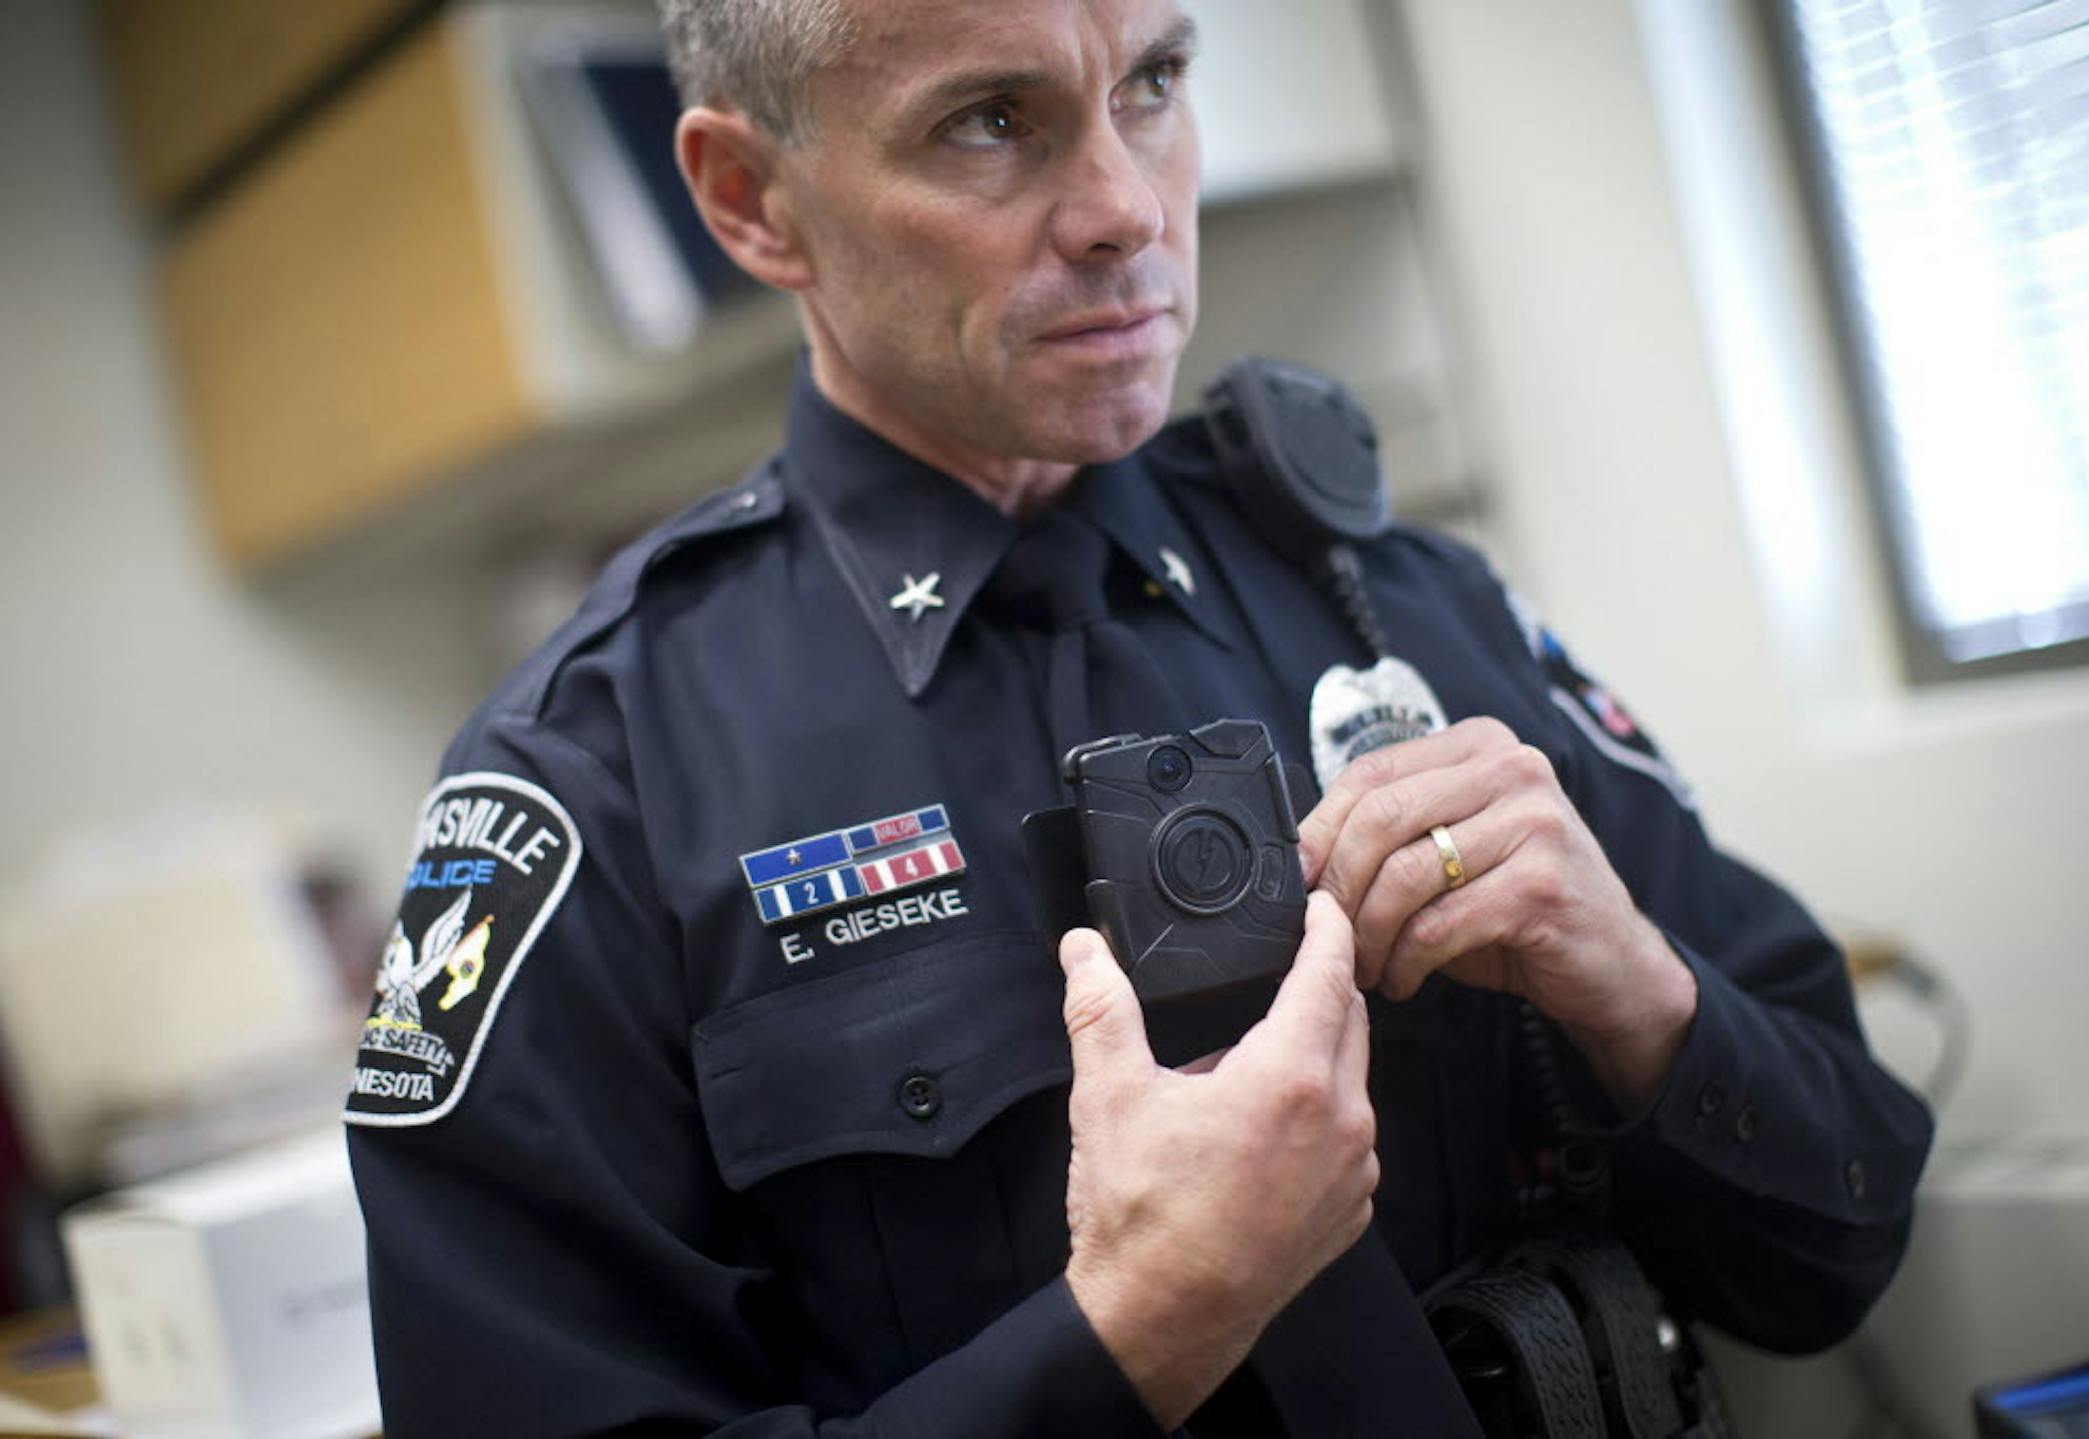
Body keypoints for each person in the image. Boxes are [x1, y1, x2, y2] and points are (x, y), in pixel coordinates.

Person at [344, 0, 1934, 1433]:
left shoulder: (1404, 604)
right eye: (991, 121)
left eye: (1156, 83)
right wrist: (1140, 1331)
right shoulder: (595, 777)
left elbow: (1843, 1241)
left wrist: (1641, 1002)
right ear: (753, 201)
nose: (1125, 209)